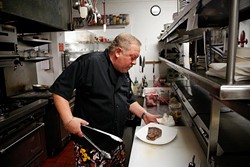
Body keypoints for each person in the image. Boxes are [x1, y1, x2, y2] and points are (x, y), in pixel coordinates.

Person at [49, 32, 160, 166]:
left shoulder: (123, 71)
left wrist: (144, 114)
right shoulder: (89, 63)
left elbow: (128, 99)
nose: (134, 62)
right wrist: (68, 120)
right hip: (91, 145)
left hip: (116, 142)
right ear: (118, 52)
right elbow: (59, 91)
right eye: (132, 57)